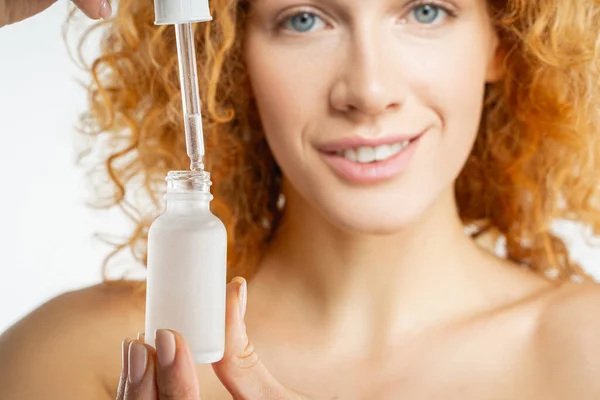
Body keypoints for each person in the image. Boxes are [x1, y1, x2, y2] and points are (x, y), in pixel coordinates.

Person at [1, 0, 600, 398]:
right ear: (230, 58)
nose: (369, 91)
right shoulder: (75, 360)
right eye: (304, 19)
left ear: (501, 39)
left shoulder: (586, 354)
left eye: (424, 9)